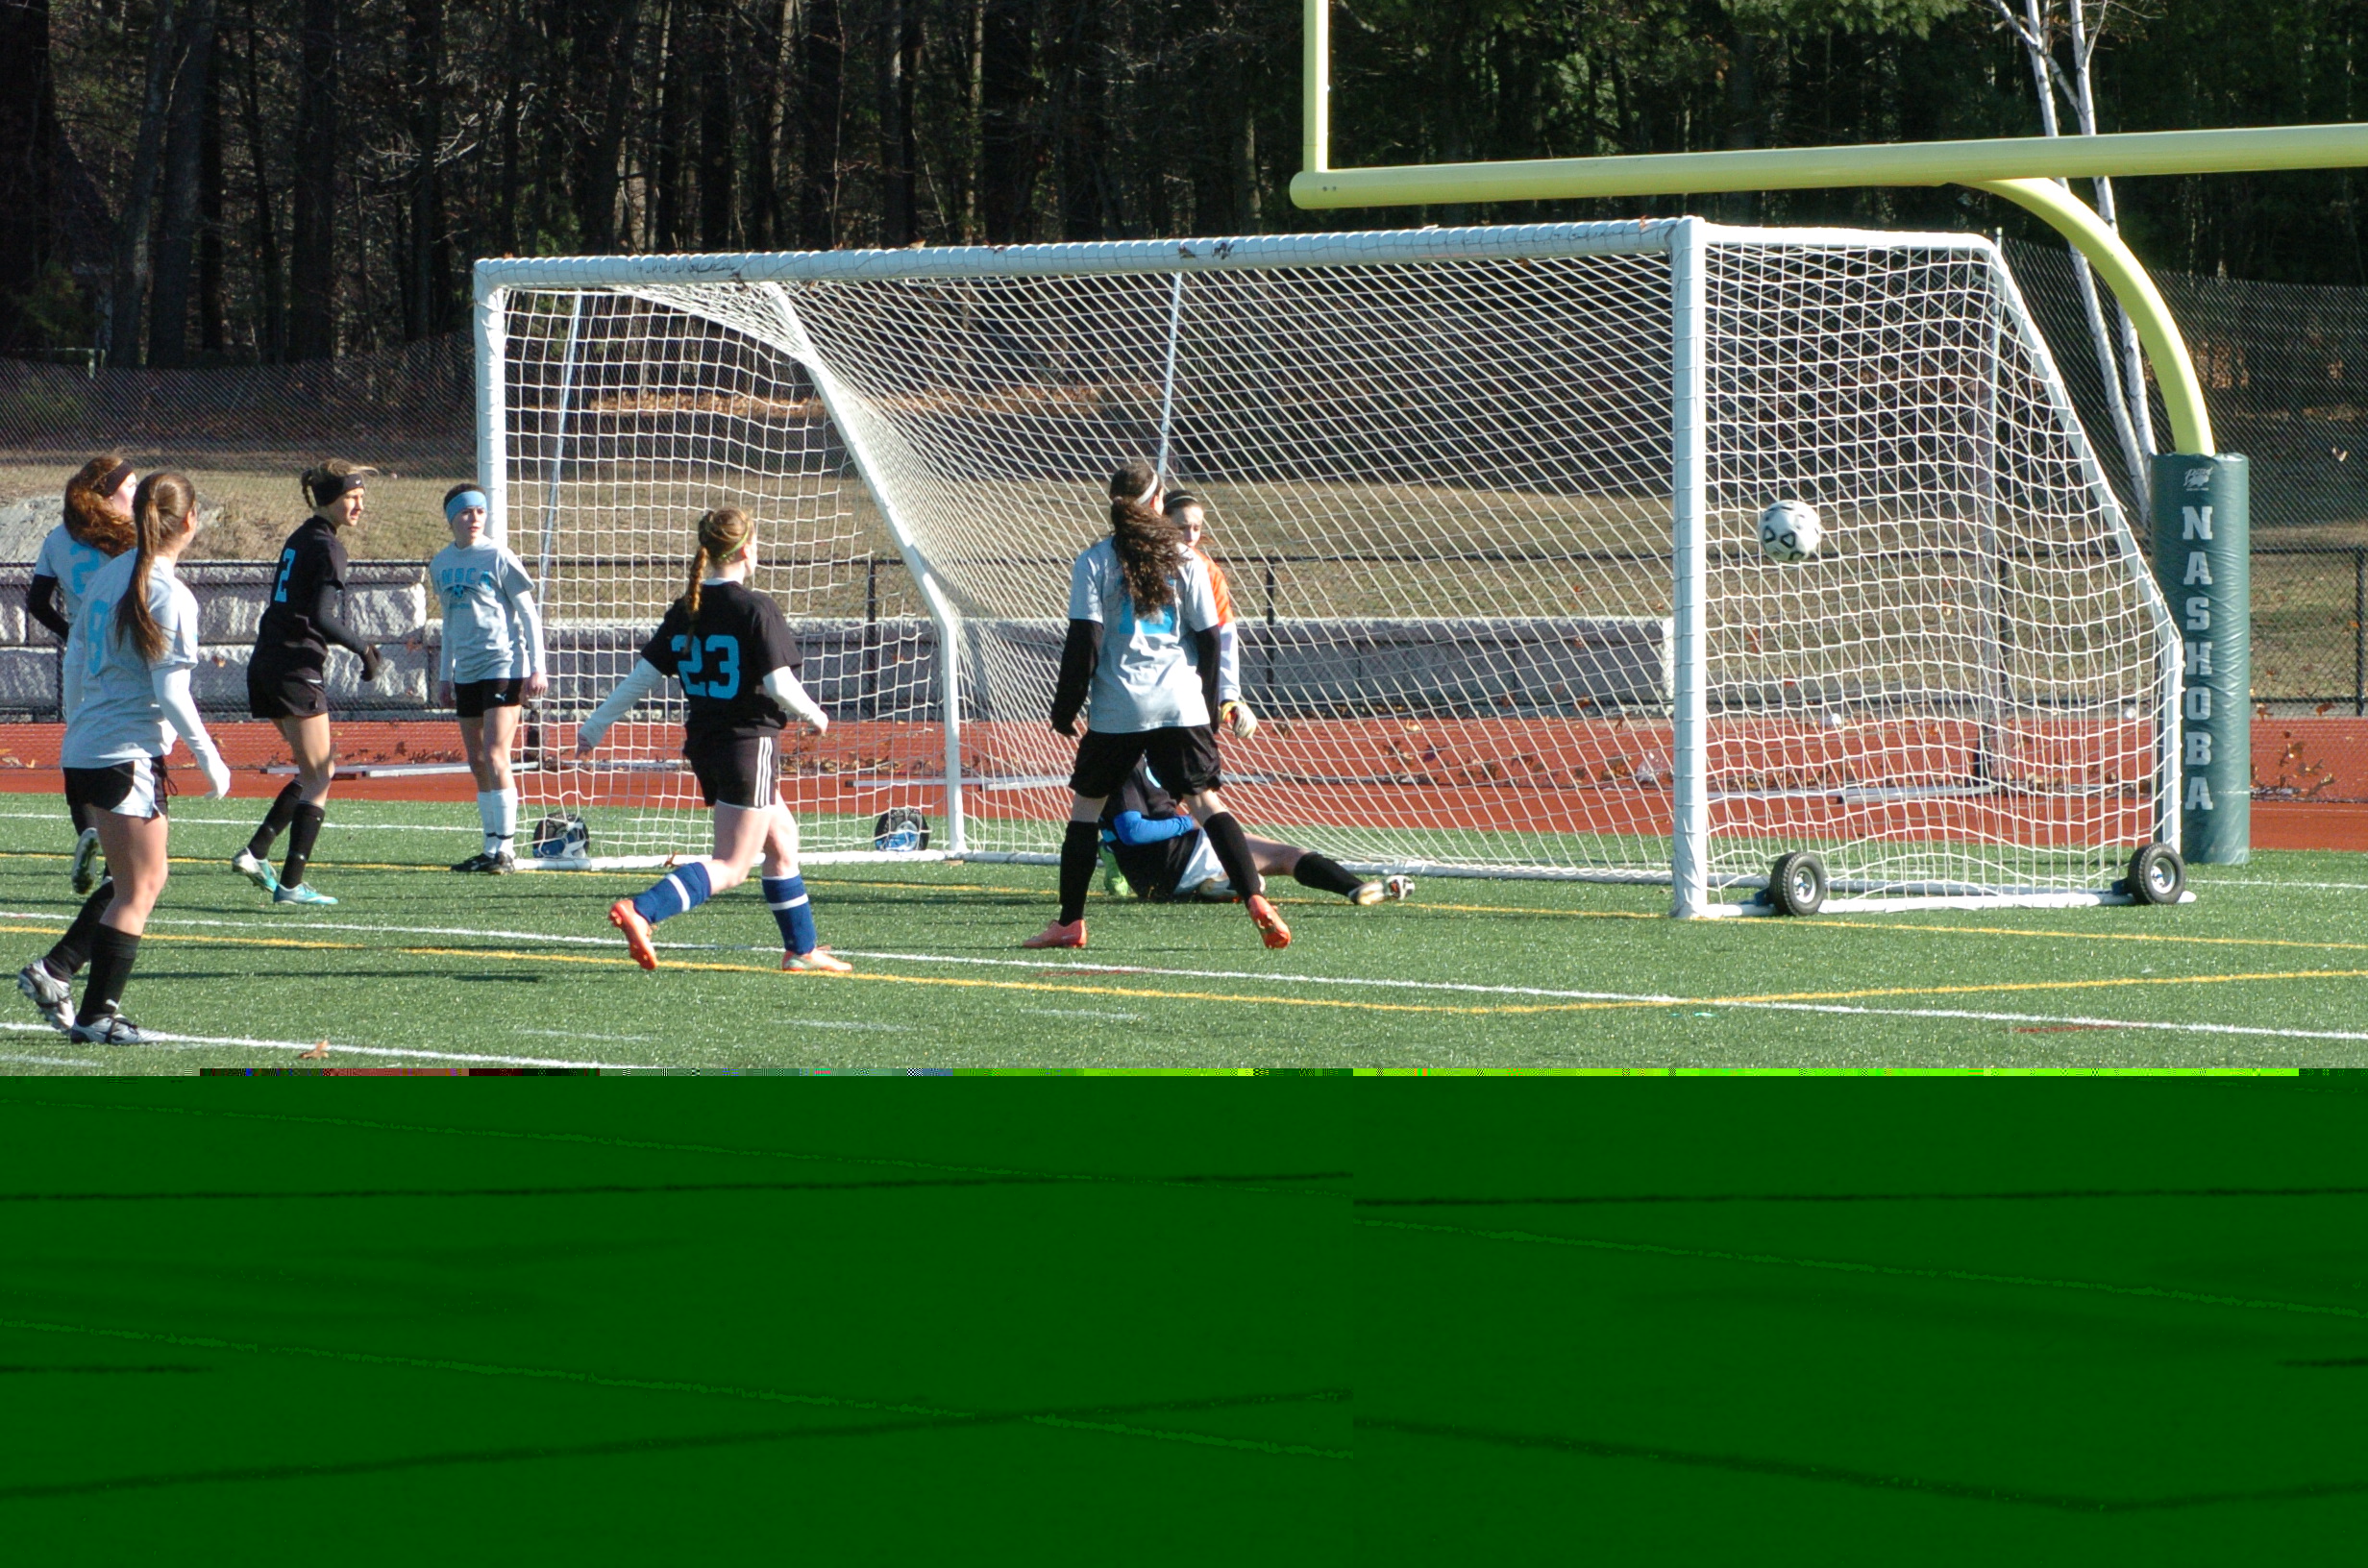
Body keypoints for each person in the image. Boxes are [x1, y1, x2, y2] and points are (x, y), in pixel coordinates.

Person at [1026, 458, 1290, 951]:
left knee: (1085, 813)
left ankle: (1070, 923)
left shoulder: (1095, 560)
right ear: (1157, 502)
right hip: (1181, 703)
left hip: (1119, 706)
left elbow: (1085, 640)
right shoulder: (1189, 560)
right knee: (1206, 803)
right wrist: (1209, 707)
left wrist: (1065, 709)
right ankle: (1255, 898)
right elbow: (1210, 640)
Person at [574, 505, 851, 974]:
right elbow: (779, 685)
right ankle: (643, 910)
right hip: (748, 744)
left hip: (708, 744)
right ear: (746, 550)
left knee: (782, 841)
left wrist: (595, 726)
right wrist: (815, 714)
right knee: (733, 865)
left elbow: (641, 679)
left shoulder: (688, 608)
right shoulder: (755, 607)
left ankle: (801, 949)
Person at [15, 473, 233, 1045]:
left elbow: (75, 660)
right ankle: (96, 1017)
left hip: (91, 748)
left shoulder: (111, 575)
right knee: (136, 889)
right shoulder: (169, 593)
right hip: (125, 754)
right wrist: (210, 757)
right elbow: (171, 691)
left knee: (141, 880)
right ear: (190, 520)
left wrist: (77, 728)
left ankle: (58, 971)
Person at [232, 460, 382, 907]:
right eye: (352, 497)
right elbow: (321, 616)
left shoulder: (301, 536)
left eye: (361, 497)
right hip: (295, 666)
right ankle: (291, 884)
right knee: (321, 774)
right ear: (330, 499)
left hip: (268, 662)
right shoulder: (329, 547)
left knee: (314, 767)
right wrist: (365, 649)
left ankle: (256, 852)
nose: (359, 506)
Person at [31, 454, 140, 895]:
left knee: (78, 746)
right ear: (107, 494)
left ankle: (87, 832)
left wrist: (71, 632)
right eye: (130, 485)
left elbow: (36, 602)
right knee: (128, 746)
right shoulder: (130, 538)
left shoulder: (58, 536)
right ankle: (118, 856)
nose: (136, 492)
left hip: (81, 653)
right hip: (124, 651)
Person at [430, 484, 548, 872]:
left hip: (503, 665)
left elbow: (528, 614)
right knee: (477, 759)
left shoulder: (498, 555)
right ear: (452, 518)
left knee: (496, 754)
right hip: (467, 671)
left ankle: (506, 851)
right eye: (466, 512)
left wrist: (538, 667)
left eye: (480, 511)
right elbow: (449, 623)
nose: (475, 518)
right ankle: (489, 847)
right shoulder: (441, 564)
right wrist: (445, 675)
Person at [1098, 764, 1413, 907]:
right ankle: (1354, 888)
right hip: (1179, 857)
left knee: (1247, 866)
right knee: (1287, 856)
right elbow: (1133, 831)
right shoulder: (1128, 763)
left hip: (1153, 885)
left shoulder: (1115, 759)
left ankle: (1217, 884)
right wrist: (1188, 823)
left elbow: (1113, 833)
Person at [1162, 491, 1259, 745]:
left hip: (1185, 688)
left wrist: (1228, 696)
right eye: (1182, 528)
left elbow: (1224, 634)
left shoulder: (1209, 572)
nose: (1190, 536)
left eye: (1196, 528)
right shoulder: (1135, 564)